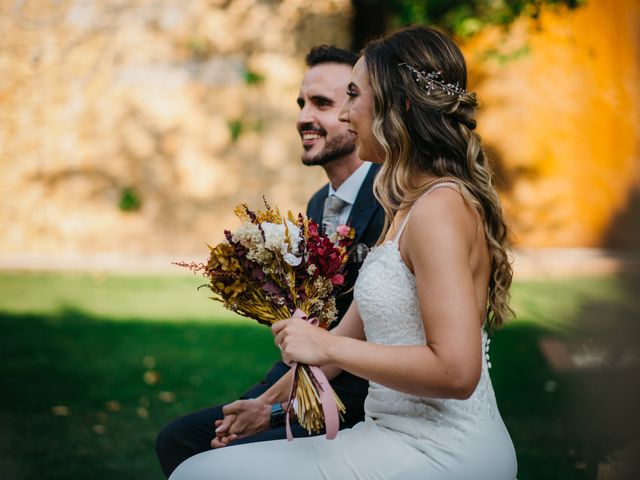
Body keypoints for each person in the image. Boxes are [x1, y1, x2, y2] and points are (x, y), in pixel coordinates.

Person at [169, 25, 518, 480]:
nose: (348, 113)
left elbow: (456, 371)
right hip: (386, 434)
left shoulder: (440, 209)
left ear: (401, 105)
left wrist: (322, 341)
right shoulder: (405, 206)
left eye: (354, 95)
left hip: (439, 453)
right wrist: (266, 406)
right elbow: (344, 343)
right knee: (199, 467)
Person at [155, 45, 385, 478]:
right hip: (298, 371)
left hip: (354, 394)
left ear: (359, 109)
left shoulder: (388, 197)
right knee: (180, 438)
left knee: (211, 456)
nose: (302, 117)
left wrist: (273, 409)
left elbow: (361, 335)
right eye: (301, 103)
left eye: (322, 103)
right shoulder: (320, 203)